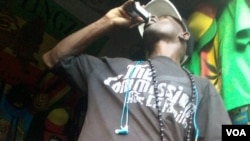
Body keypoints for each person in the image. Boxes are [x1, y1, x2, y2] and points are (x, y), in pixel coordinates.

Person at [42, 0, 232, 141]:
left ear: (184, 34)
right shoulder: (110, 67)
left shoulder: (201, 88)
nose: (155, 17)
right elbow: (53, 58)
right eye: (154, 16)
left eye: (165, 17)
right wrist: (108, 20)